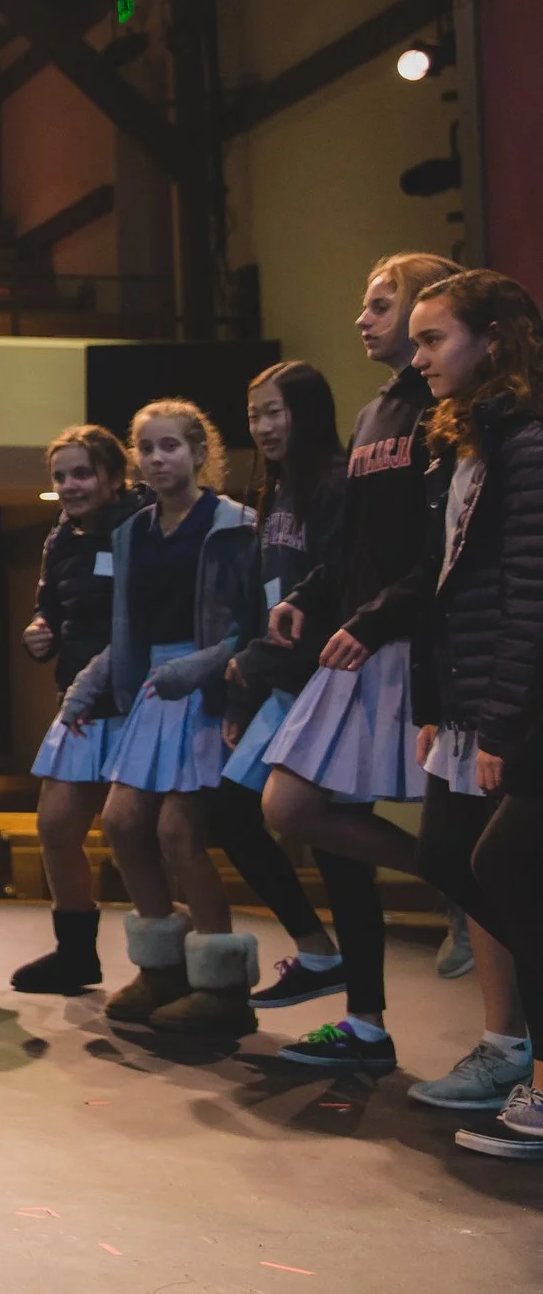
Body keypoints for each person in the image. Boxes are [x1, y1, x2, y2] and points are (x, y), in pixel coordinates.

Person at [260, 252, 461, 1070]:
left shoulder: (446, 412)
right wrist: (309, 588)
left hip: (416, 640)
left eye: (381, 304)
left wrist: (377, 618)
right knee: (294, 805)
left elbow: (445, 546)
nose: (362, 318)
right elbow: (353, 538)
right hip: (361, 631)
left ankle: (499, 1026)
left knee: (470, 831)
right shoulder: (378, 412)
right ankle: (368, 1020)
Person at [394, 271, 543, 1138]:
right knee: (451, 855)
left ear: (492, 338)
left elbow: (527, 593)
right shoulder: (464, 439)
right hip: (465, 696)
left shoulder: (525, 443)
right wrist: (438, 702)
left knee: (507, 864)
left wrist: (500, 721)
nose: (419, 359)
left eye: (432, 339)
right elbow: (445, 585)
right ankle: (515, 1057)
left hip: (509, 703)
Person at [58, 403, 259, 1035]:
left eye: (171, 445)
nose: (158, 458)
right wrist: (88, 685)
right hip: (152, 688)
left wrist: (200, 668)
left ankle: (222, 985)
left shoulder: (235, 525)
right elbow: (128, 629)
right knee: (120, 821)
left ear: (201, 452)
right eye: (147, 448)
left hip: (208, 691)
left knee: (178, 832)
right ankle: (163, 969)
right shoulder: (133, 532)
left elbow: (249, 630)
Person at [219, 363, 362, 1012]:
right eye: (255, 416)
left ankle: (364, 1009)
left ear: (307, 410)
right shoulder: (275, 491)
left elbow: (332, 594)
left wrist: (255, 665)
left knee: (337, 846)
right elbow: (263, 603)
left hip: (327, 685)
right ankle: (317, 951)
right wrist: (246, 689)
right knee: (231, 813)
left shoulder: (335, 482)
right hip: (279, 687)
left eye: (275, 411)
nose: (264, 426)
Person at [13, 425, 136, 992]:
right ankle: (76, 953)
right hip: (80, 704)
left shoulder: (142, 525)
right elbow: (50, 607)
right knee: (56, 825)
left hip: (138, 701)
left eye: (81, 473)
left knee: (139, 833)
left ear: (113, 476)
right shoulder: (61, 537)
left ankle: (168, 959)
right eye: (60, 477)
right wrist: (41, 631)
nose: (69, 486)